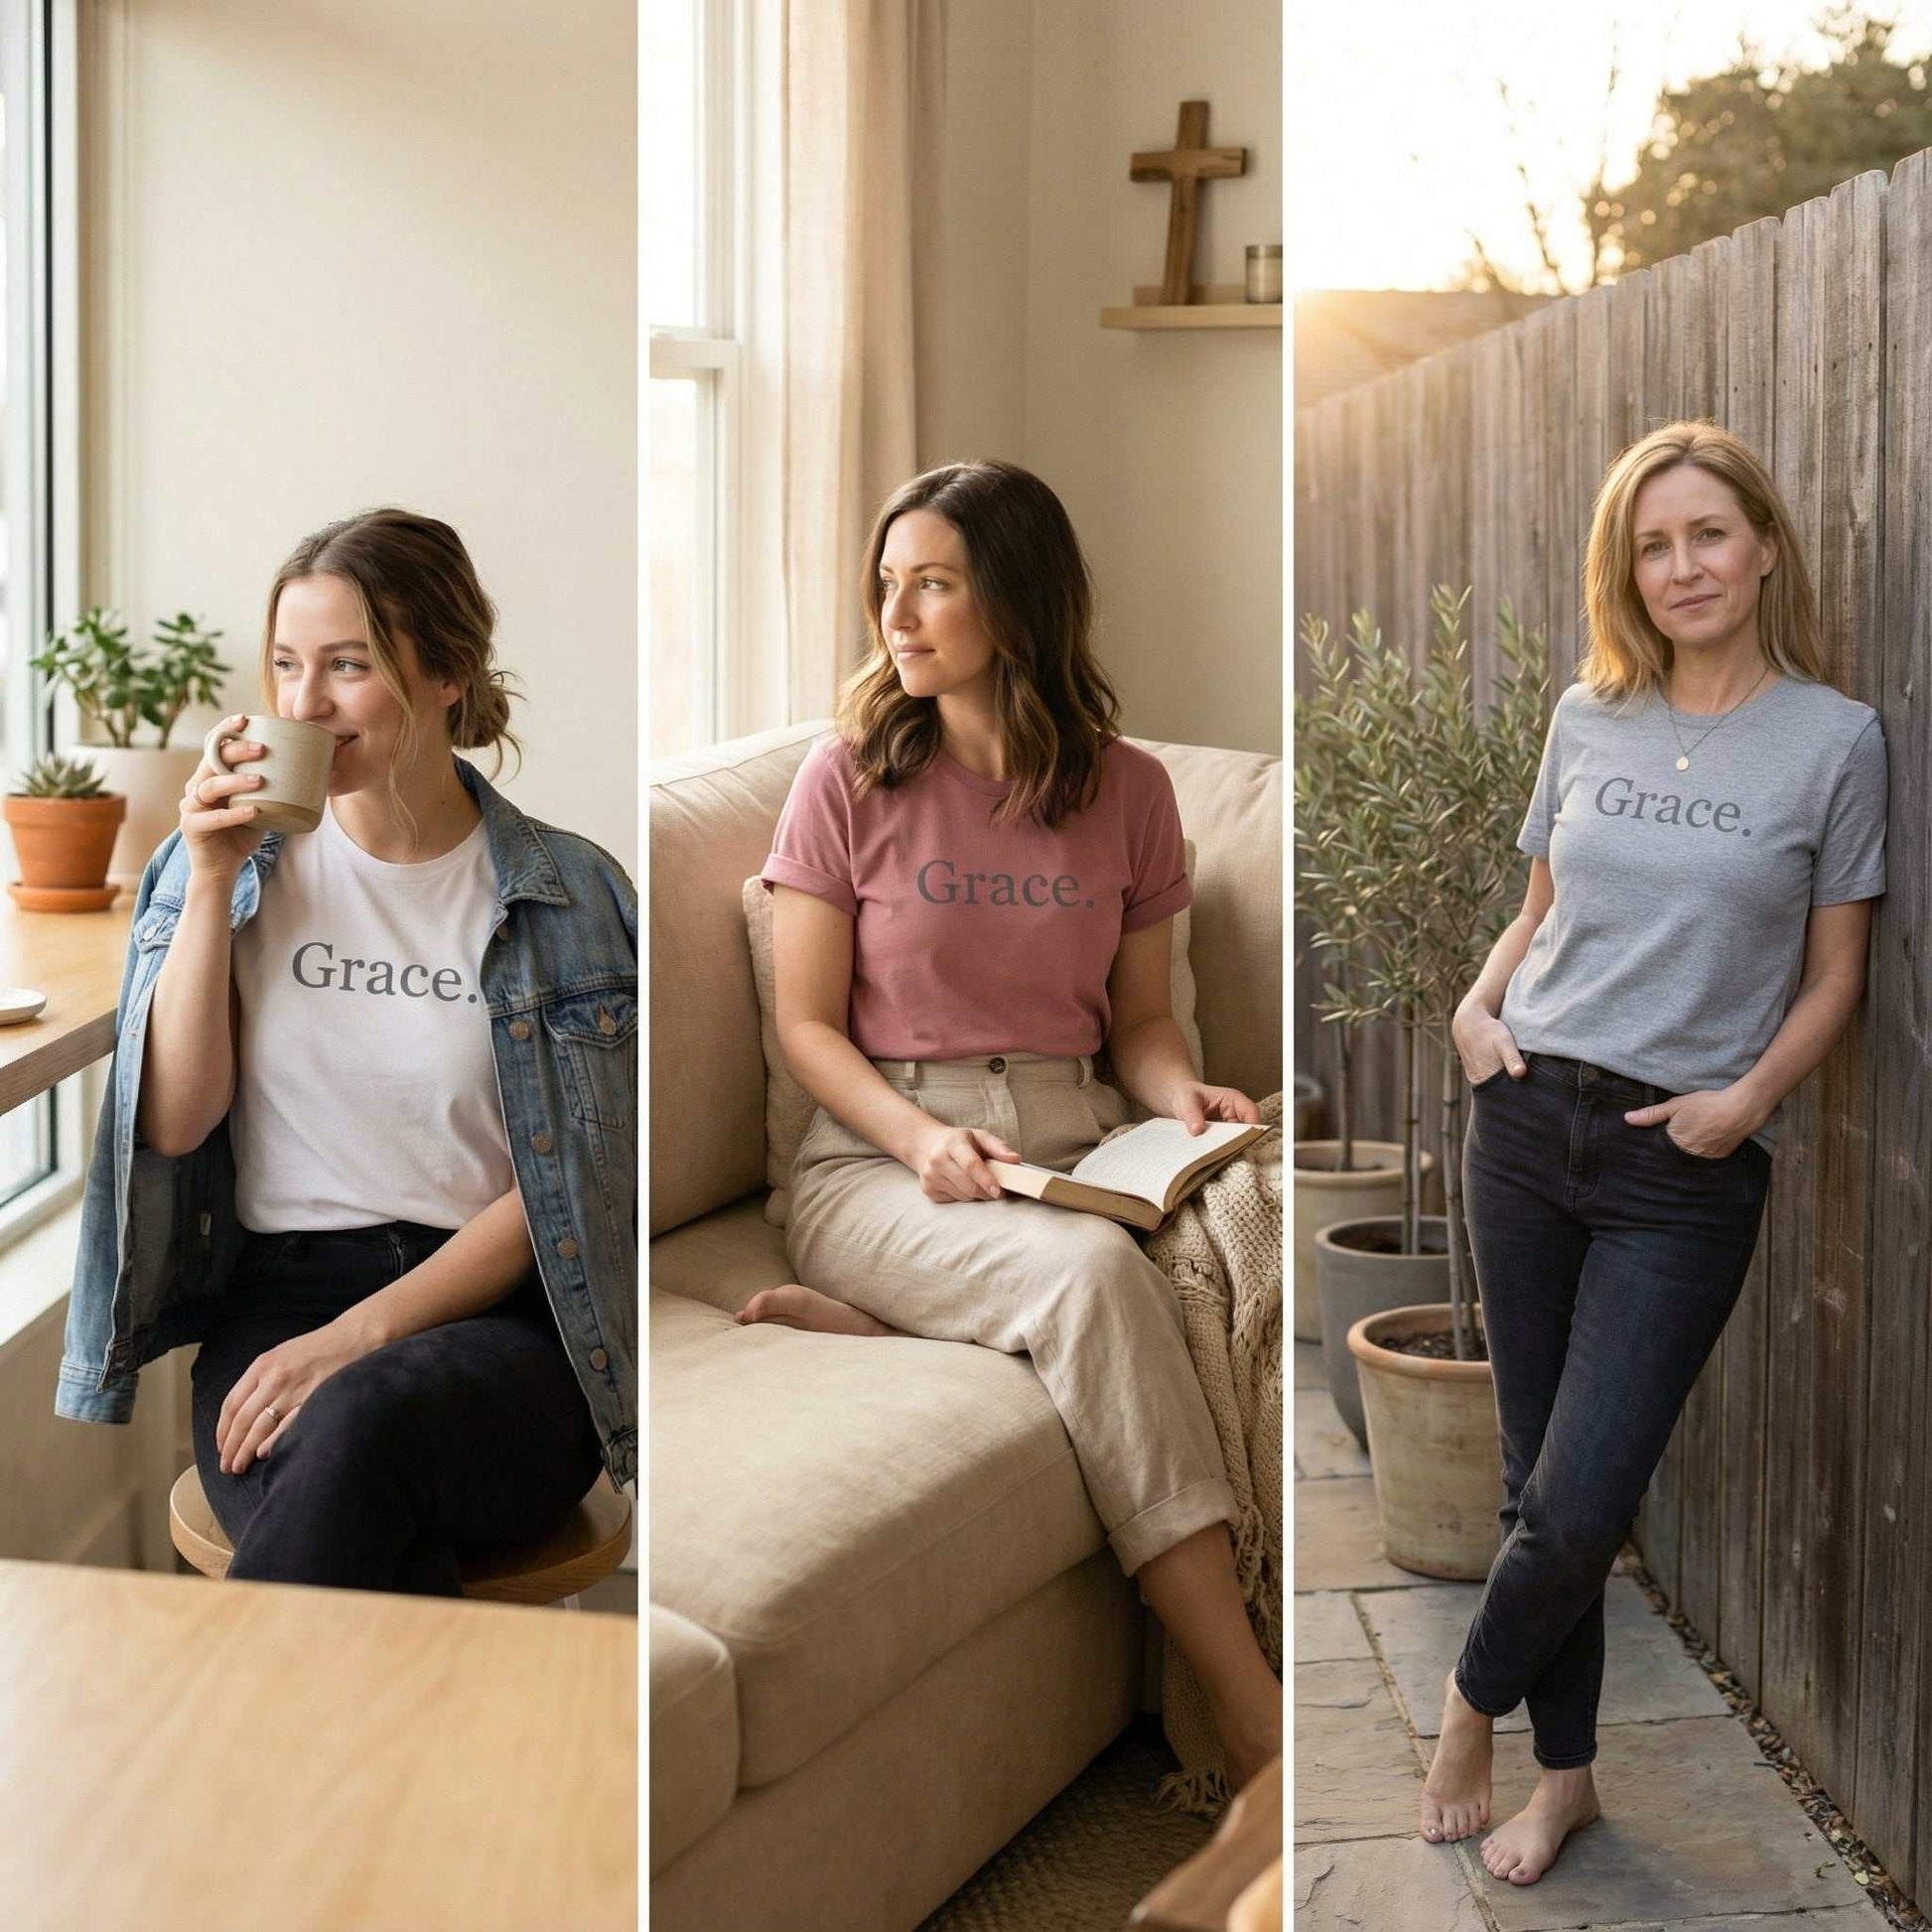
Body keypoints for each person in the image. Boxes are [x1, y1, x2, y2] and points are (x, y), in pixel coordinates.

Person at [736, 459, 1282, 1791]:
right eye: (886, 585)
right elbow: (806, 1027)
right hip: (880, 1153)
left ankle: (911, 1323)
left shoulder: (1129, 792)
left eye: (933, 583)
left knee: (1244, 1246)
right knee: (1096, 1279)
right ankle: (1252, 1711)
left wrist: (1184, 1098)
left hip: (1077, 1139)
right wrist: (919, 1142)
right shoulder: (846, 776)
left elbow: (1138, 1023)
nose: (898, 616)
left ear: (1019, 602)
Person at [1422, 422, 1887, 1882]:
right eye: (1651, 543)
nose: (1680, 566)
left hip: (1677, 1166)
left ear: (1760, 547)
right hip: (1521, 1117)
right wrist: (1474, 1003)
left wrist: (1741, 1103)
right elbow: (1543, 905)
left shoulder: (1832, 740)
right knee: (1528, 1484)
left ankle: (1462, 1706)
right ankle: (1562, 1783)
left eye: (1705, 535)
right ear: (1625, 569)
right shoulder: (1589, 713)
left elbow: (1834, 979)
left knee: (1577, 1500)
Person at [56, 508, 637, 1594]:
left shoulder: (573, 895)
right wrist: (213, 882)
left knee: (362, 1418)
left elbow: (564, 1188)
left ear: (448, 671)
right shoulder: (221, 872)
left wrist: (361, 1336)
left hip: (501, 1321)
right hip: (278, 1305)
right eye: (284, 665)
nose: (304, 703)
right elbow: (178, 1122)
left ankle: (208, 1748)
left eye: (347, 665)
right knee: (366, 1501)